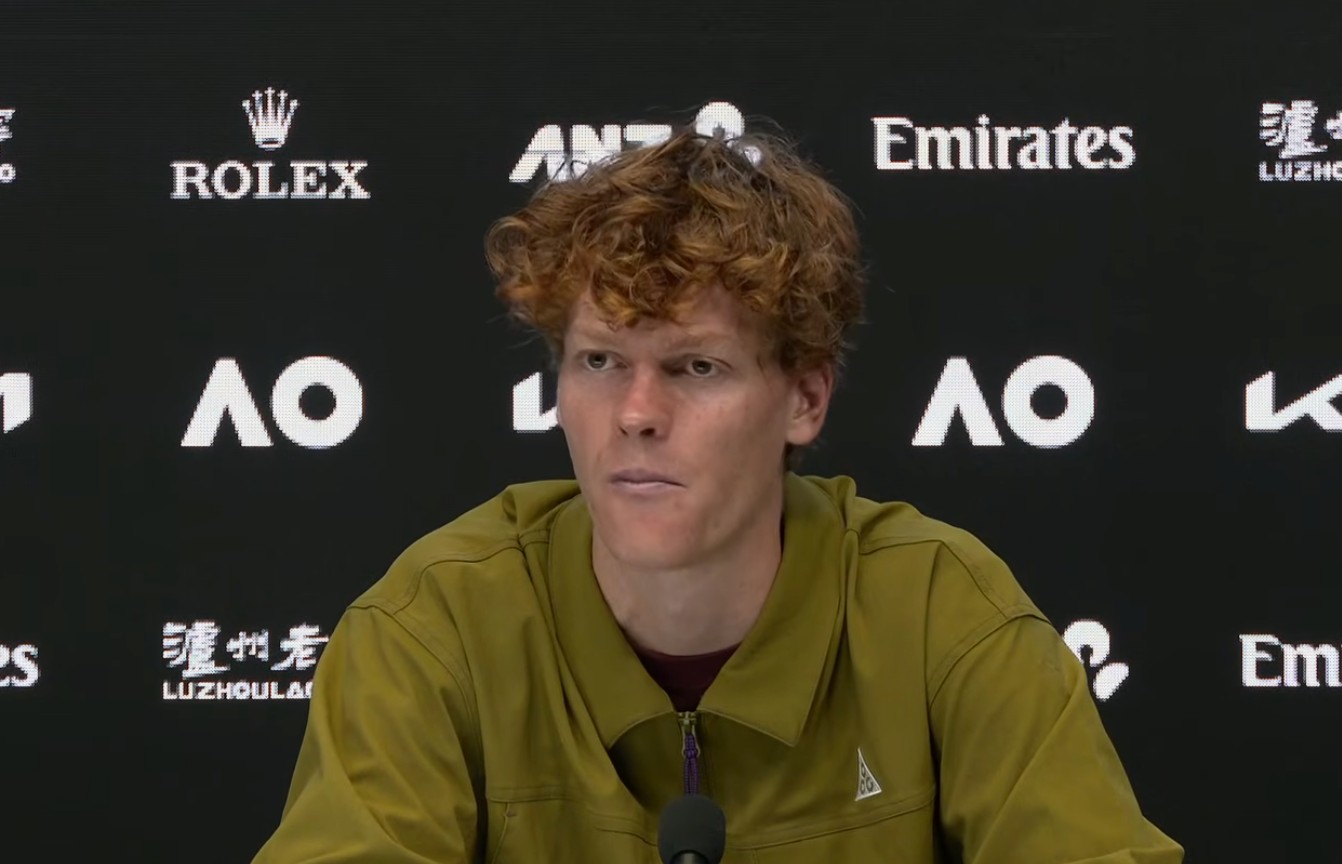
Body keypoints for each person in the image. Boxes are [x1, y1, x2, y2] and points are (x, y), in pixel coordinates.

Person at [252, 122, 1185, 863]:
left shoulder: (941, 611)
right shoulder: (435, 629)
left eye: (695, 367)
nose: (636, 414)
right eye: (600, 361)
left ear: (805, 399)